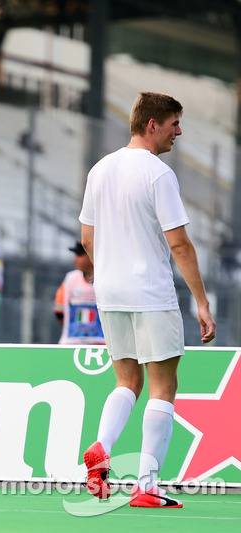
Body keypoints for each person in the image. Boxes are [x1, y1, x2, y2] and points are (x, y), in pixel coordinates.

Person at [79, 92, 216, 509]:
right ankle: (147, 485)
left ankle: (101, 448)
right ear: (152, 124)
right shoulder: (158, 174)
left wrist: (110, 275)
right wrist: (202, 303)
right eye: (174, 122)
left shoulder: (100, 169)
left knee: (126, 382)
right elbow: (180, 245)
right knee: (163, 386)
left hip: (110, 291)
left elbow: (87, 238)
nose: (179, 131)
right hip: (151, 292)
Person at [53, 241, 104, 345]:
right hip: (72, 343)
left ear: (91, 255)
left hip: (102, 345)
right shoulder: (70, 279)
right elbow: (59, 312)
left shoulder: (106, 280)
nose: (75, 259)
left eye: (79, 255)